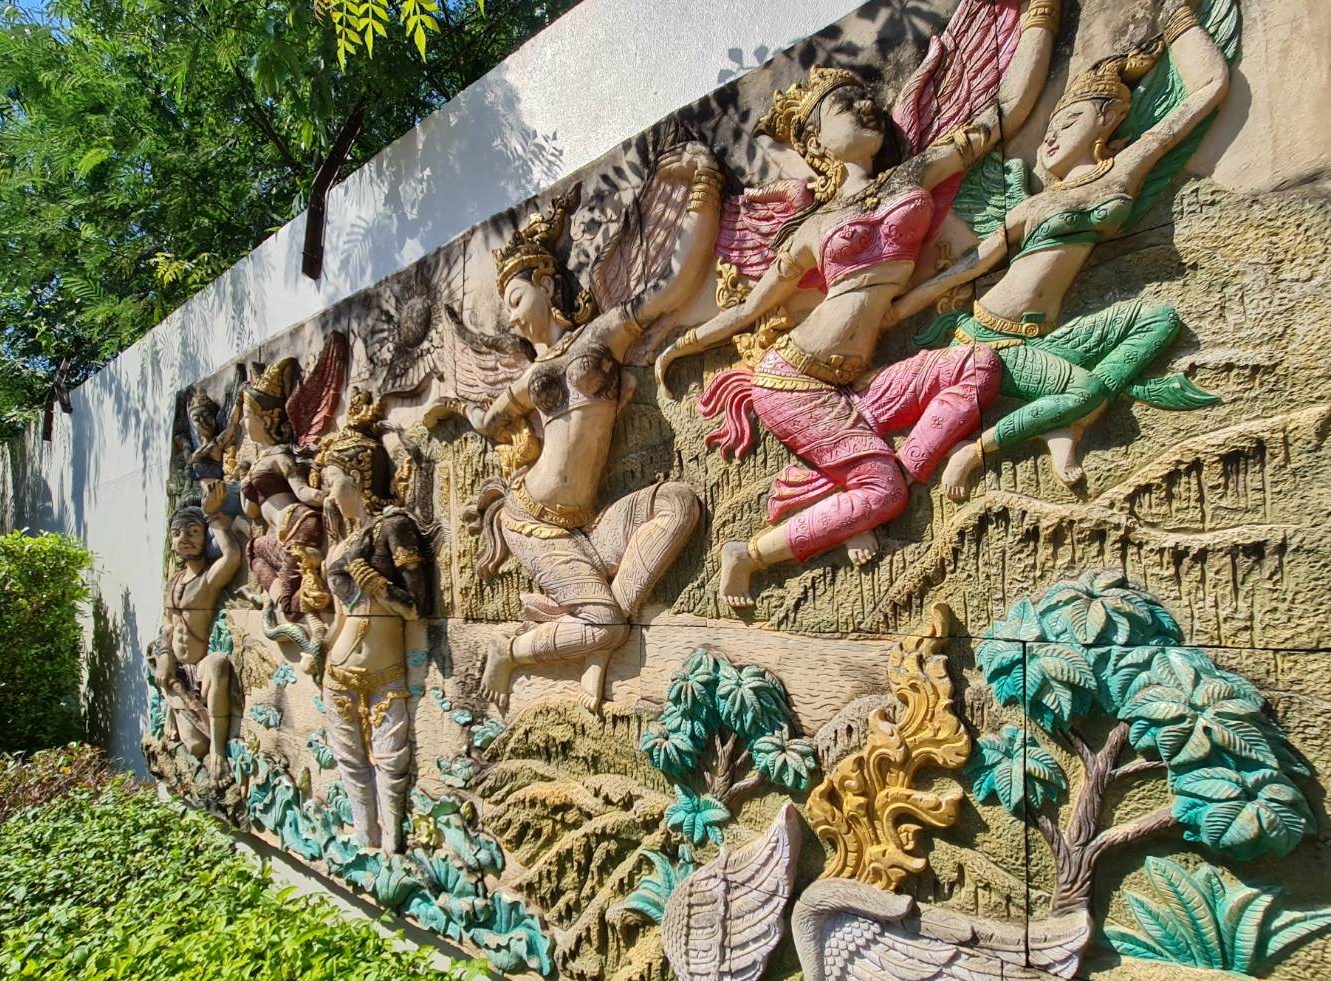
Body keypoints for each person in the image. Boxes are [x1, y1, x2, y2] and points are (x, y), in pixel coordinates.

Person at [654, 0, 1058, 607]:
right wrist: (680, 347)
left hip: (855, 383)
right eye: (846, 104)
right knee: (884, 492)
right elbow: (748, 311)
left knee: (978, 366)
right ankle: (751, 553)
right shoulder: (811, 229)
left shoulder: (913, 175)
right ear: (817, 140)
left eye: (867, 98)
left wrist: (1040, 15)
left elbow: (1008, 112)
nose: (867, 106)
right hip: (792, 379)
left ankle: (868, 480)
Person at [885, 2, 1231, 495]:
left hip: (1044, 339)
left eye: (1067, 123)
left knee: (1158, 321)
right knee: (1083, 389)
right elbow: (970, 266)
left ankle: (1064, 418)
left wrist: (1179, 18)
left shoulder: (1121, 172)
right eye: (1049, 129)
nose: (1050, 138)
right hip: (989, 340)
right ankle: (979, 449)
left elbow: (1208, 88)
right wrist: (902, 309)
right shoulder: (1034, 203)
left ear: (1108, 118)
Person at [436, 145, 722, 711]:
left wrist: (706, 184)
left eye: (516, 298)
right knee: (604, 620)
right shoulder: (529, 377)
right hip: (530, 519)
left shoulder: (602, 336)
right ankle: (514, 650)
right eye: (507, 307)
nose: (512, 316)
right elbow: (488, 420)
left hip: (586, 527)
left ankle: (597, 636)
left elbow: (676, 282)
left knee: (679, 503)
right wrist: (450, 408)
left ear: (547, 283)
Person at [314, 391, 431, 854]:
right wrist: (317, 643)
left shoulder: (393, 526)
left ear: (357, 477)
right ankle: (366, 839)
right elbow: (341, 613)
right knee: (350, 762)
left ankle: (393, 845)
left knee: (390, 760)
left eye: (333, 482)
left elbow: (416, 607)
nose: (329, 494)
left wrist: (379, 586)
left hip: (384, 670)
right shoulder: (343, 540)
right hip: (337, 670)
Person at [237, 357, 331, 661]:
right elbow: (252, 512)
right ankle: (290, 606)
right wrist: (244, 486)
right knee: (253, 549)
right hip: (283, 533)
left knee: (290, 609)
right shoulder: (258, 463)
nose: (242, 424)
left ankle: (315, 619)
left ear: (266, 419)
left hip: (298, 523)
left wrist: (330, 496)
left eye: (247, 416)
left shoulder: (281, 457)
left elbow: (302, 492)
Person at [150, 484, 240, 782]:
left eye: (193, 532)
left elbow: (232, 556)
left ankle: (219, 751)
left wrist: (212, 515)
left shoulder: (208, 579)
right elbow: (167, 626)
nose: (184, 539)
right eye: (177, 534)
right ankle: (172, 708)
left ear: (205, 537)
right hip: (176, 670)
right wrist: (165, 656)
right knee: (192, 746)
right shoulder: (174, 580)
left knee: (218, 664)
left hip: (199, 667)